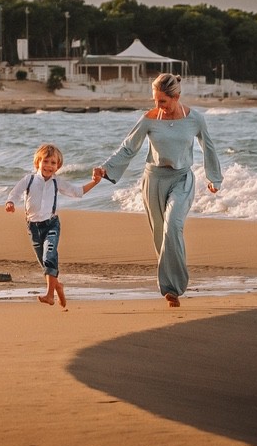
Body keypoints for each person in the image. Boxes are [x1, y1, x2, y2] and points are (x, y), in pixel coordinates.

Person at [87, 72, 222, 307]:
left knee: (173, 226)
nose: (158, 106)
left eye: (163, 101)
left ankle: (174, 288)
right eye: (155, 100)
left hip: (182, 179)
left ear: (176, 96)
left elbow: (208, 147)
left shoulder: (195, 119)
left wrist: (214, 177)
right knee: (160, 235)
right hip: (154, 180)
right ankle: (170, 286)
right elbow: (129, 148)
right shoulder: (149, 119)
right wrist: (105, 168)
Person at [5, 143, 90, 308]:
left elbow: (77, 192)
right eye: (46, 161)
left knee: (49, 256)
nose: (49, 166)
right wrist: (10, 202)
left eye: (53, 163)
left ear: (58, 166)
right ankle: (57, 286)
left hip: (52, 224)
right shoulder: (29, 180)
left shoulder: (57, 182)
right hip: (33, 227)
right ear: (38, 162)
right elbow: (14, 193)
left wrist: (95, 181)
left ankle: (50, 295)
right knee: (45, 264)